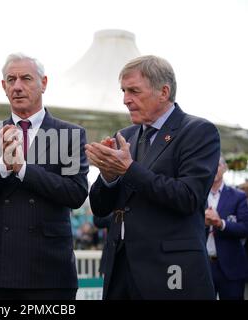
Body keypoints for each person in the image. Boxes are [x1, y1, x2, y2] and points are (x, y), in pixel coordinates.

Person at [86, 55, 220, 299]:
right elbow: (100, 208)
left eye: (134, 91)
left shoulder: (198, 131)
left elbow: (188, 197)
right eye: (124, 91)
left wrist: (128, 169)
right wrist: (108, 176)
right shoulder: (124, 135)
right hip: (120, 271)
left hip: (170, 273)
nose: (126, 99)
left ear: (164, 91)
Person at [0, 53, 89, 300]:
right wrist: (2, 166)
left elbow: (76, 194)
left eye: (26, 78)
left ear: (43, 83)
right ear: (3, 86)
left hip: (50, 272)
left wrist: (23, 169)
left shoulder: (71, 134)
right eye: (11, 79)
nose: (17, 86)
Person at [205, 156, 248, 300]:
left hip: (231, 267)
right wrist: (202, 223)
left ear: (225, 168)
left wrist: (220, 223)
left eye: (217, 165)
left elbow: (244, 228)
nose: (213, 168)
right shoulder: (197, 195)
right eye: (210, 164)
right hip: (202, 265)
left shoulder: (238, 196)